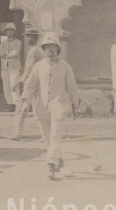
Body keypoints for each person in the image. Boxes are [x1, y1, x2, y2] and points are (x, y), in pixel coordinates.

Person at [22, 32, 80, 180]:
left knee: (55, 137)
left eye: (52, 46)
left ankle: (50, 166)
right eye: (46, 46)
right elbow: (30, 86)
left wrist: (76, 106)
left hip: (59, 107)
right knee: (48, 139)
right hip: (42, 108)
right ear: (43, 49)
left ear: (57, 48)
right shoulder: (38, 66)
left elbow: (72, 88)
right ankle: (58, 159)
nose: (49, 49)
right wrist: (26, 103)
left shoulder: (66, 67)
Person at [11, 23, 47, 140]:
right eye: (26, 36)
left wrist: (17, 82)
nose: (26, 38)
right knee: (37, 110)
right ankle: (45, 135)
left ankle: (17, 133)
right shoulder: (36, 50)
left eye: (29, 36)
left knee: (20, 108)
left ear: (35, 38)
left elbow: (28, 71)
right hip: (37, 83)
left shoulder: (34, 51)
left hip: (32, 84)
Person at [0, 24, 23, 112]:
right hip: (4, 67)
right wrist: (7, 54)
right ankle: (10, 105)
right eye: (8, 30)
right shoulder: (3, 43)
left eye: (11, 30)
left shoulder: (18, 42)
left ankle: (17, 105)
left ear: (14, 32)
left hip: (14, 66)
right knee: (6, 86)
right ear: (5, 32)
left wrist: (5, 54)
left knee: (14, 86)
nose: (9, 32)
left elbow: (15, 53)